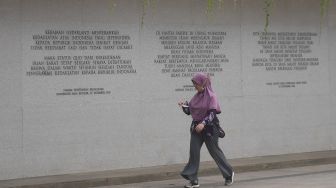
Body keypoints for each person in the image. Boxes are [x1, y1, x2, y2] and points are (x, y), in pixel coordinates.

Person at [178, 72, 234, 188]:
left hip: (209, 129)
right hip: (196, 129)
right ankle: (193, 180)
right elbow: (190, 111)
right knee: (194, 152)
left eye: (196, 84)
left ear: (203, 83)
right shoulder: (196, 97)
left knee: (215, 152)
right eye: (194, 84)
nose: (195, 86)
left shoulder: (212, 96)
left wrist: (203, 123)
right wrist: (184, 106)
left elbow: (212, 113)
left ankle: (229, 174)